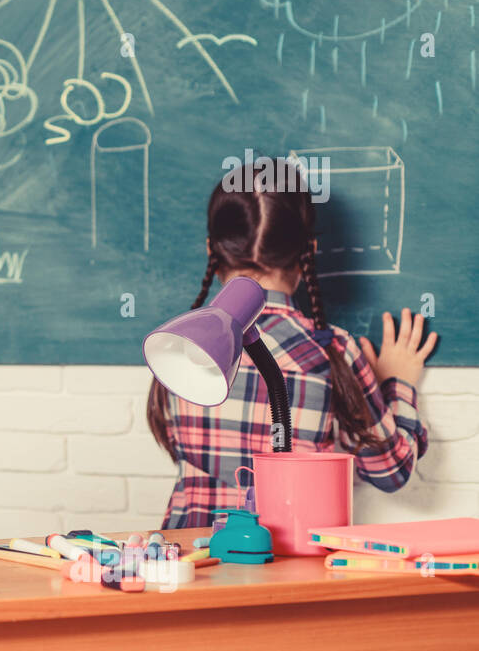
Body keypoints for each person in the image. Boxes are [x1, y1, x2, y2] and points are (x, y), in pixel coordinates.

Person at [146, 157, 436, 529]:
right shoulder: (331, 351)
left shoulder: (179, 344)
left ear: (211, 251)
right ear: (308, 252)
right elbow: (391, 471)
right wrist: (398, 383)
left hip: (188, 564)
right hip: (287, 562)